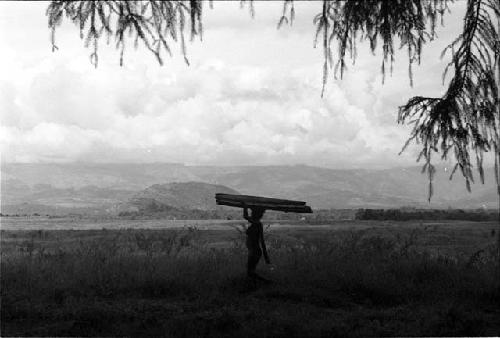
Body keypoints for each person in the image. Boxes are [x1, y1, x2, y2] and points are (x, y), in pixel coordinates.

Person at [242, 203, 271, 282]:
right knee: (250, 272)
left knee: (250, 272)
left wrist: (245, 206)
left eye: (252, 213)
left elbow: (262, 241)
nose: (251, 214)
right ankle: (260, 284)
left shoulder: (257, 223)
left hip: (255, 251)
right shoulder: (256, 223)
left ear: (255, 214)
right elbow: (262, 241)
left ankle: (267, 283)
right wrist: (246, 207)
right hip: (254, 251)